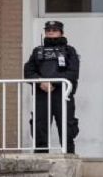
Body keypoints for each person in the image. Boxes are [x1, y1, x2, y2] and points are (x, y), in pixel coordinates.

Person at [23, 20, 80, 154]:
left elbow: (73, 73)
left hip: (62, 95)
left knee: (67, 127)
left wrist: (54, 83)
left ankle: (69, 157)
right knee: (39, 127)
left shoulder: (69, 51)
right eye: (48, 30)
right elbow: (28, 72)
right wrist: (40, 82)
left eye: (54, 30)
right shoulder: (38, 51)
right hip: (41, 94)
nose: (50, 32)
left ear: (61, 32)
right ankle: (40, 159)